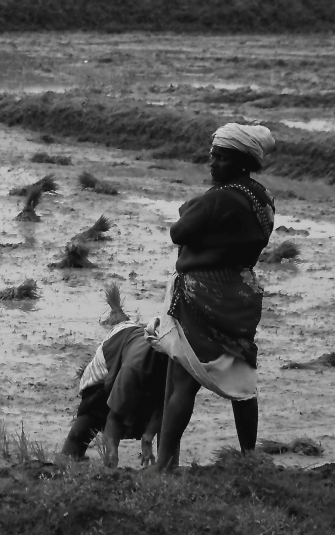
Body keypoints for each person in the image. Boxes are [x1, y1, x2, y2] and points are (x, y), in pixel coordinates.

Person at [150, 123, 276, 471]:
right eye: (213, 157)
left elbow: (178, 232)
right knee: (242, 380)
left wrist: (193, 209)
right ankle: (249, 457)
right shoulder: (261, 198)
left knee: (183, 382)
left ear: (241, 161)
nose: (213, 164)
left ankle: (163, 466)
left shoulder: (220, 197)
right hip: (241, 297)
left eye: (221, 158)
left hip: (202, 297)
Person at [62, 321, 169, 467]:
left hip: (139, 344)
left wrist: (148, 436)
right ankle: (69, 458)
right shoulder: (133, 369)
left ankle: (166, 467)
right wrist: (112, 453)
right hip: (116, 346)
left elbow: (166, 405)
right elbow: (114, 417)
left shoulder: (180, 361)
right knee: (94, 410)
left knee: (173, 411)